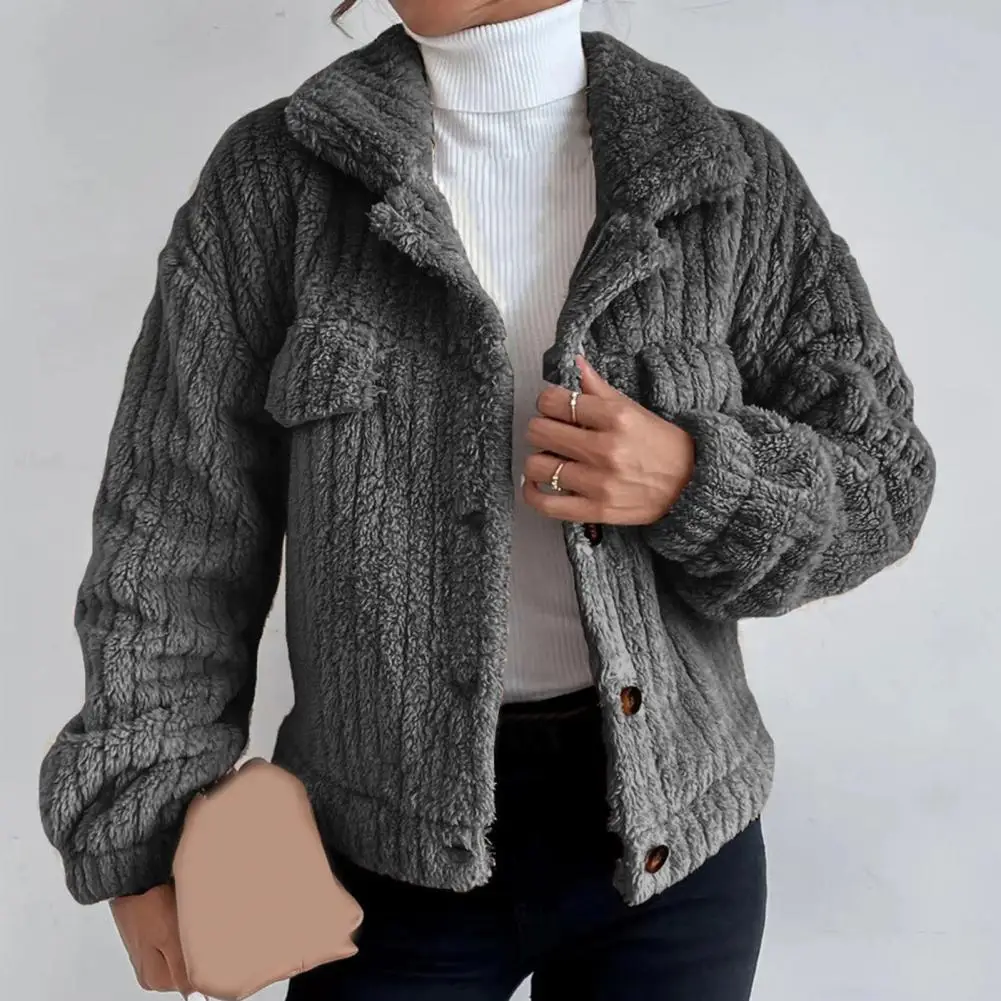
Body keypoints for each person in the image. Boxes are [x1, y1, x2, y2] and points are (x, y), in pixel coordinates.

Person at [37, 1, 936, 999]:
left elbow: (883, 477)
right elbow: (173, 532)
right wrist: (145, 829)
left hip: (672, 849)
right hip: (376, 855)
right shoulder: (275, 182)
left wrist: (695, 479)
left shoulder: (724, 177)